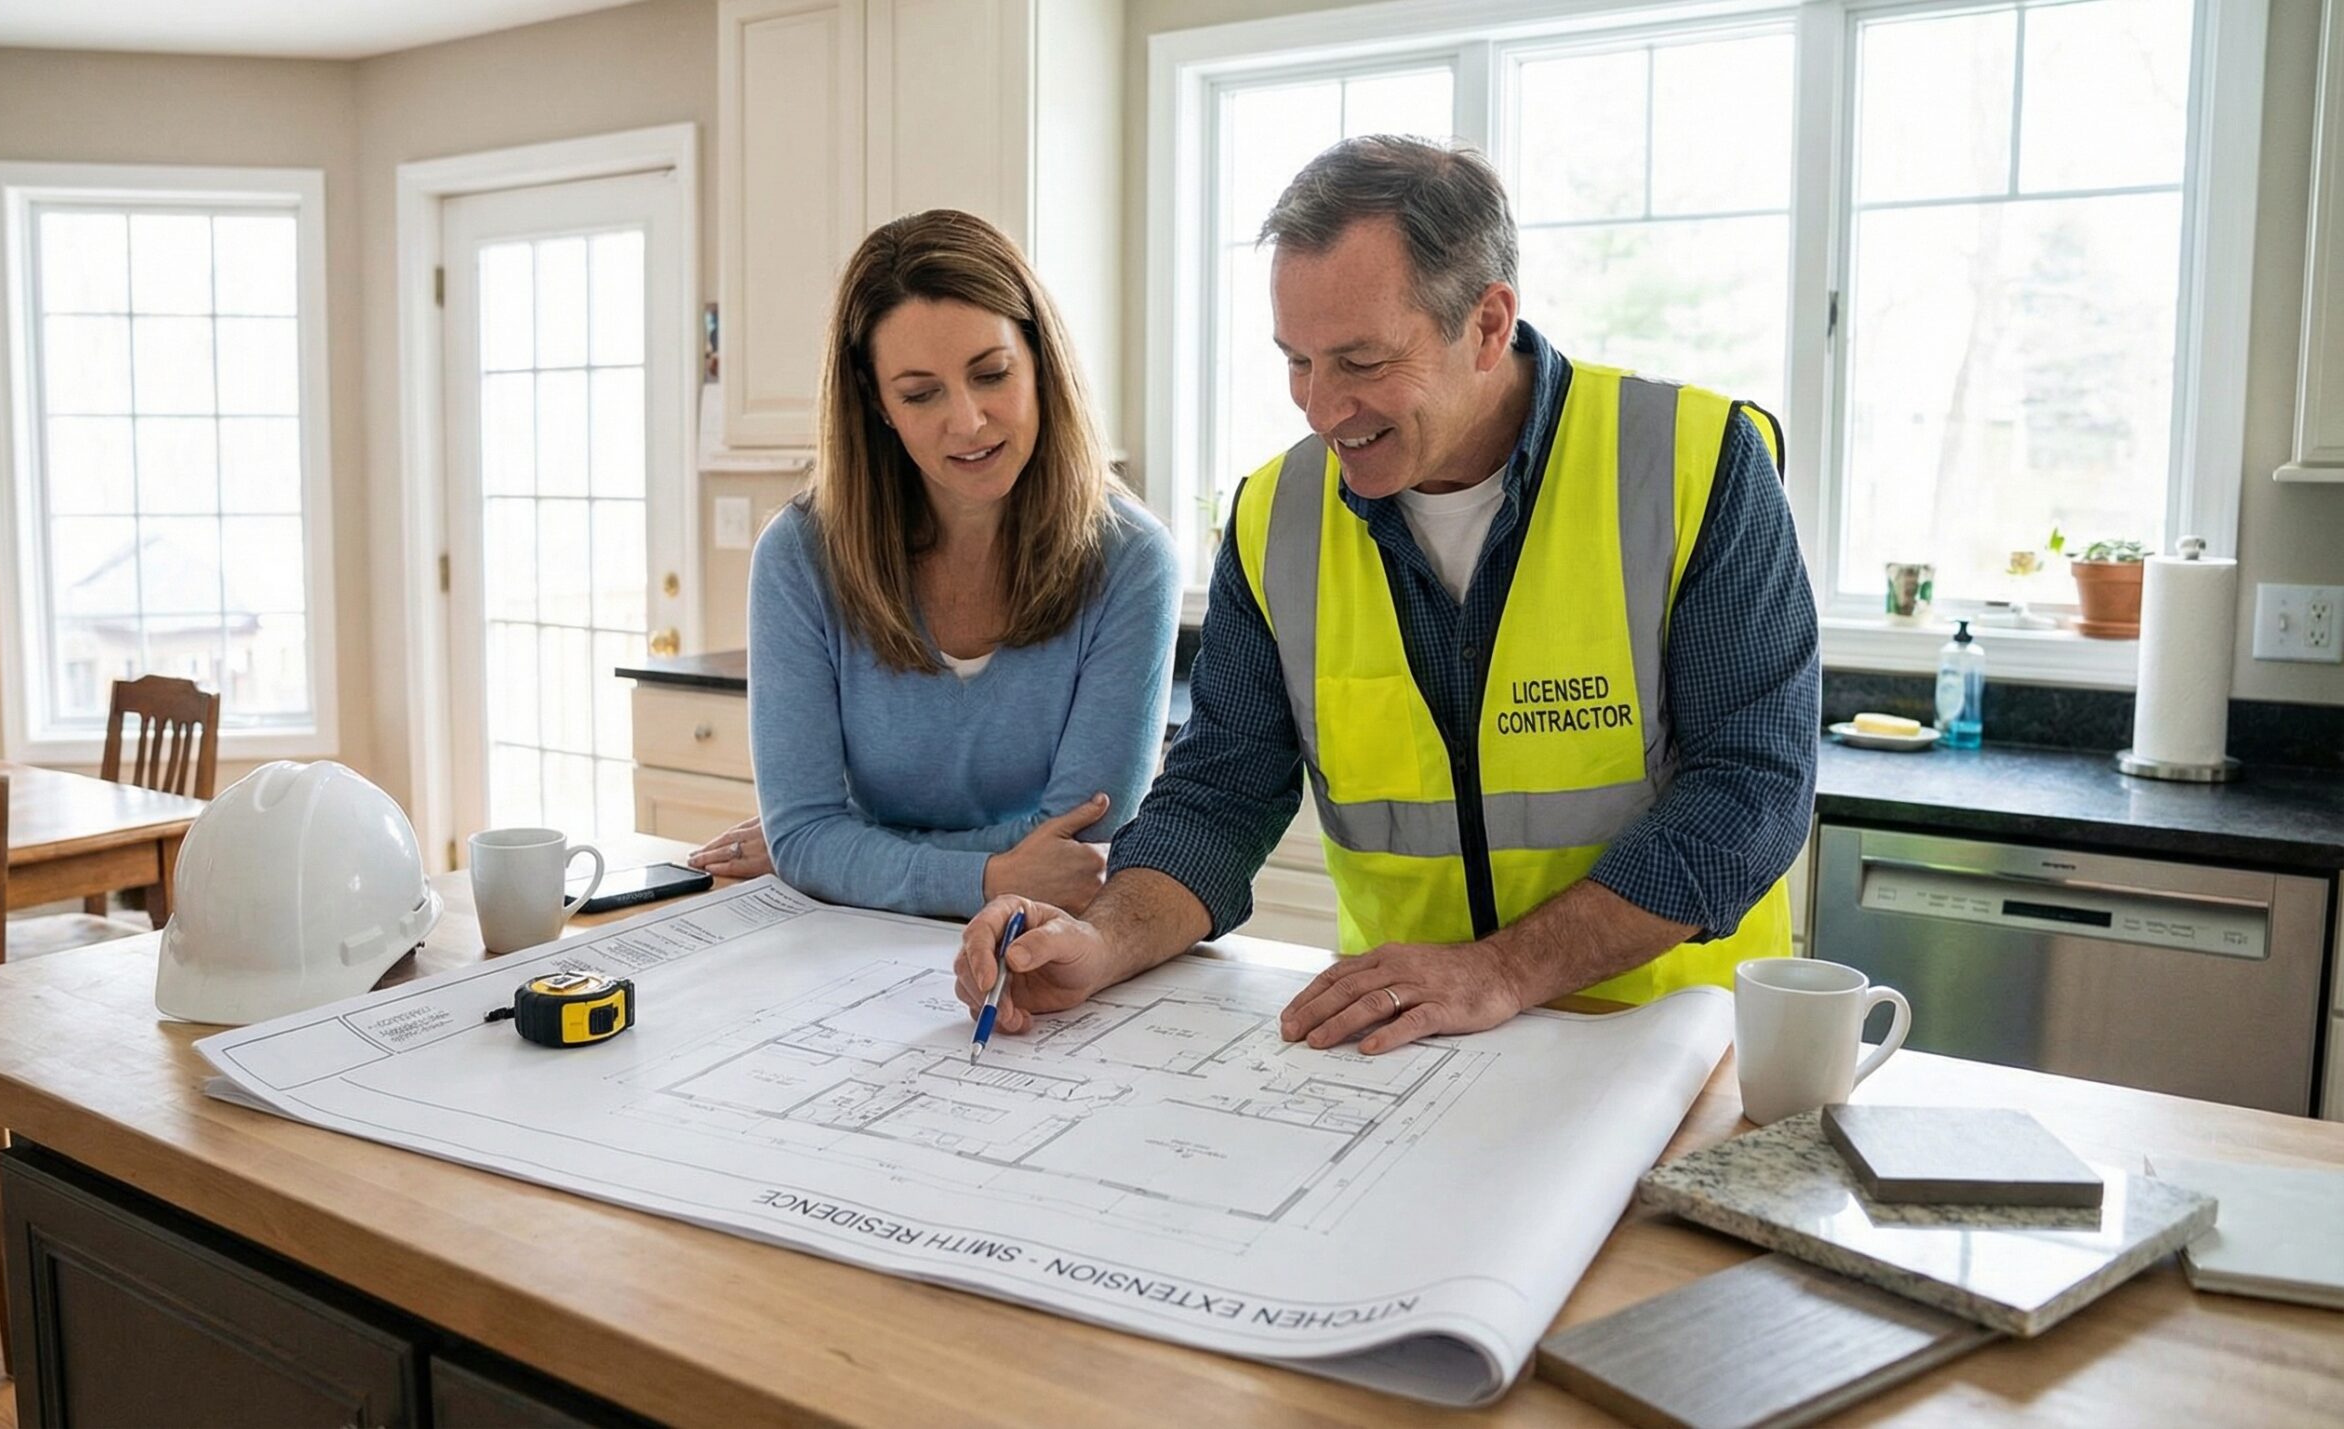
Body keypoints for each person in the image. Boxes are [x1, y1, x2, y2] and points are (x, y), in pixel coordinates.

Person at [954, 136, 1818, 1054]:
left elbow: (1750, 790)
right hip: (1405, 1048)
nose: (1321, 409)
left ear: (1487, 325)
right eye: (1297, 361)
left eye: (1361, 362)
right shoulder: (1274, 518)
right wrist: (1099, 940)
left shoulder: (1694, 465)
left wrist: (1504, 970)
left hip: (1669, 1046)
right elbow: (1221, 794)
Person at [688, 208, 1180, 919]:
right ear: (877, 404)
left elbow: (1081, 839)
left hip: (1041, 943)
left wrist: (847, 850)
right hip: (848, 948)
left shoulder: (1133, 560)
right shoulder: (800, 556)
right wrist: (984, 875)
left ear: (1040, 361)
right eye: (921, 393)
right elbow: (806, 837)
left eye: (992, 374)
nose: (969, 421)